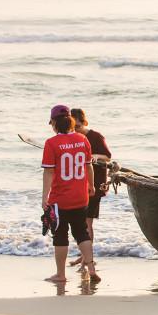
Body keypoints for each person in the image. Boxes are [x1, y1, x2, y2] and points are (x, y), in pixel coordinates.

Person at [41, 105, 101, 283]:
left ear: (54, 123)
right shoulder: (83, 139)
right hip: (81, 196)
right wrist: (91, 186)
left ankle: (60, 274)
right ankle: (91, 269)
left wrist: (45, 197)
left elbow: (49, 172)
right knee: (81, 232)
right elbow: (89, 165)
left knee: (60, 236)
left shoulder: (51, 143)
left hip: (60, 199)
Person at [68, 108, 111, 270]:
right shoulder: (73, 138)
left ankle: (88, 259)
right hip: (78, 185)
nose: (75, 130)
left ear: (84, 123)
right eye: (73, 127)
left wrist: (95, 156)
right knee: (79, 224)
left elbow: (107, 156)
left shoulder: (95, 136)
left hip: (95, 186)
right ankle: (84, 256)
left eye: (78, 126)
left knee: (87, 223)